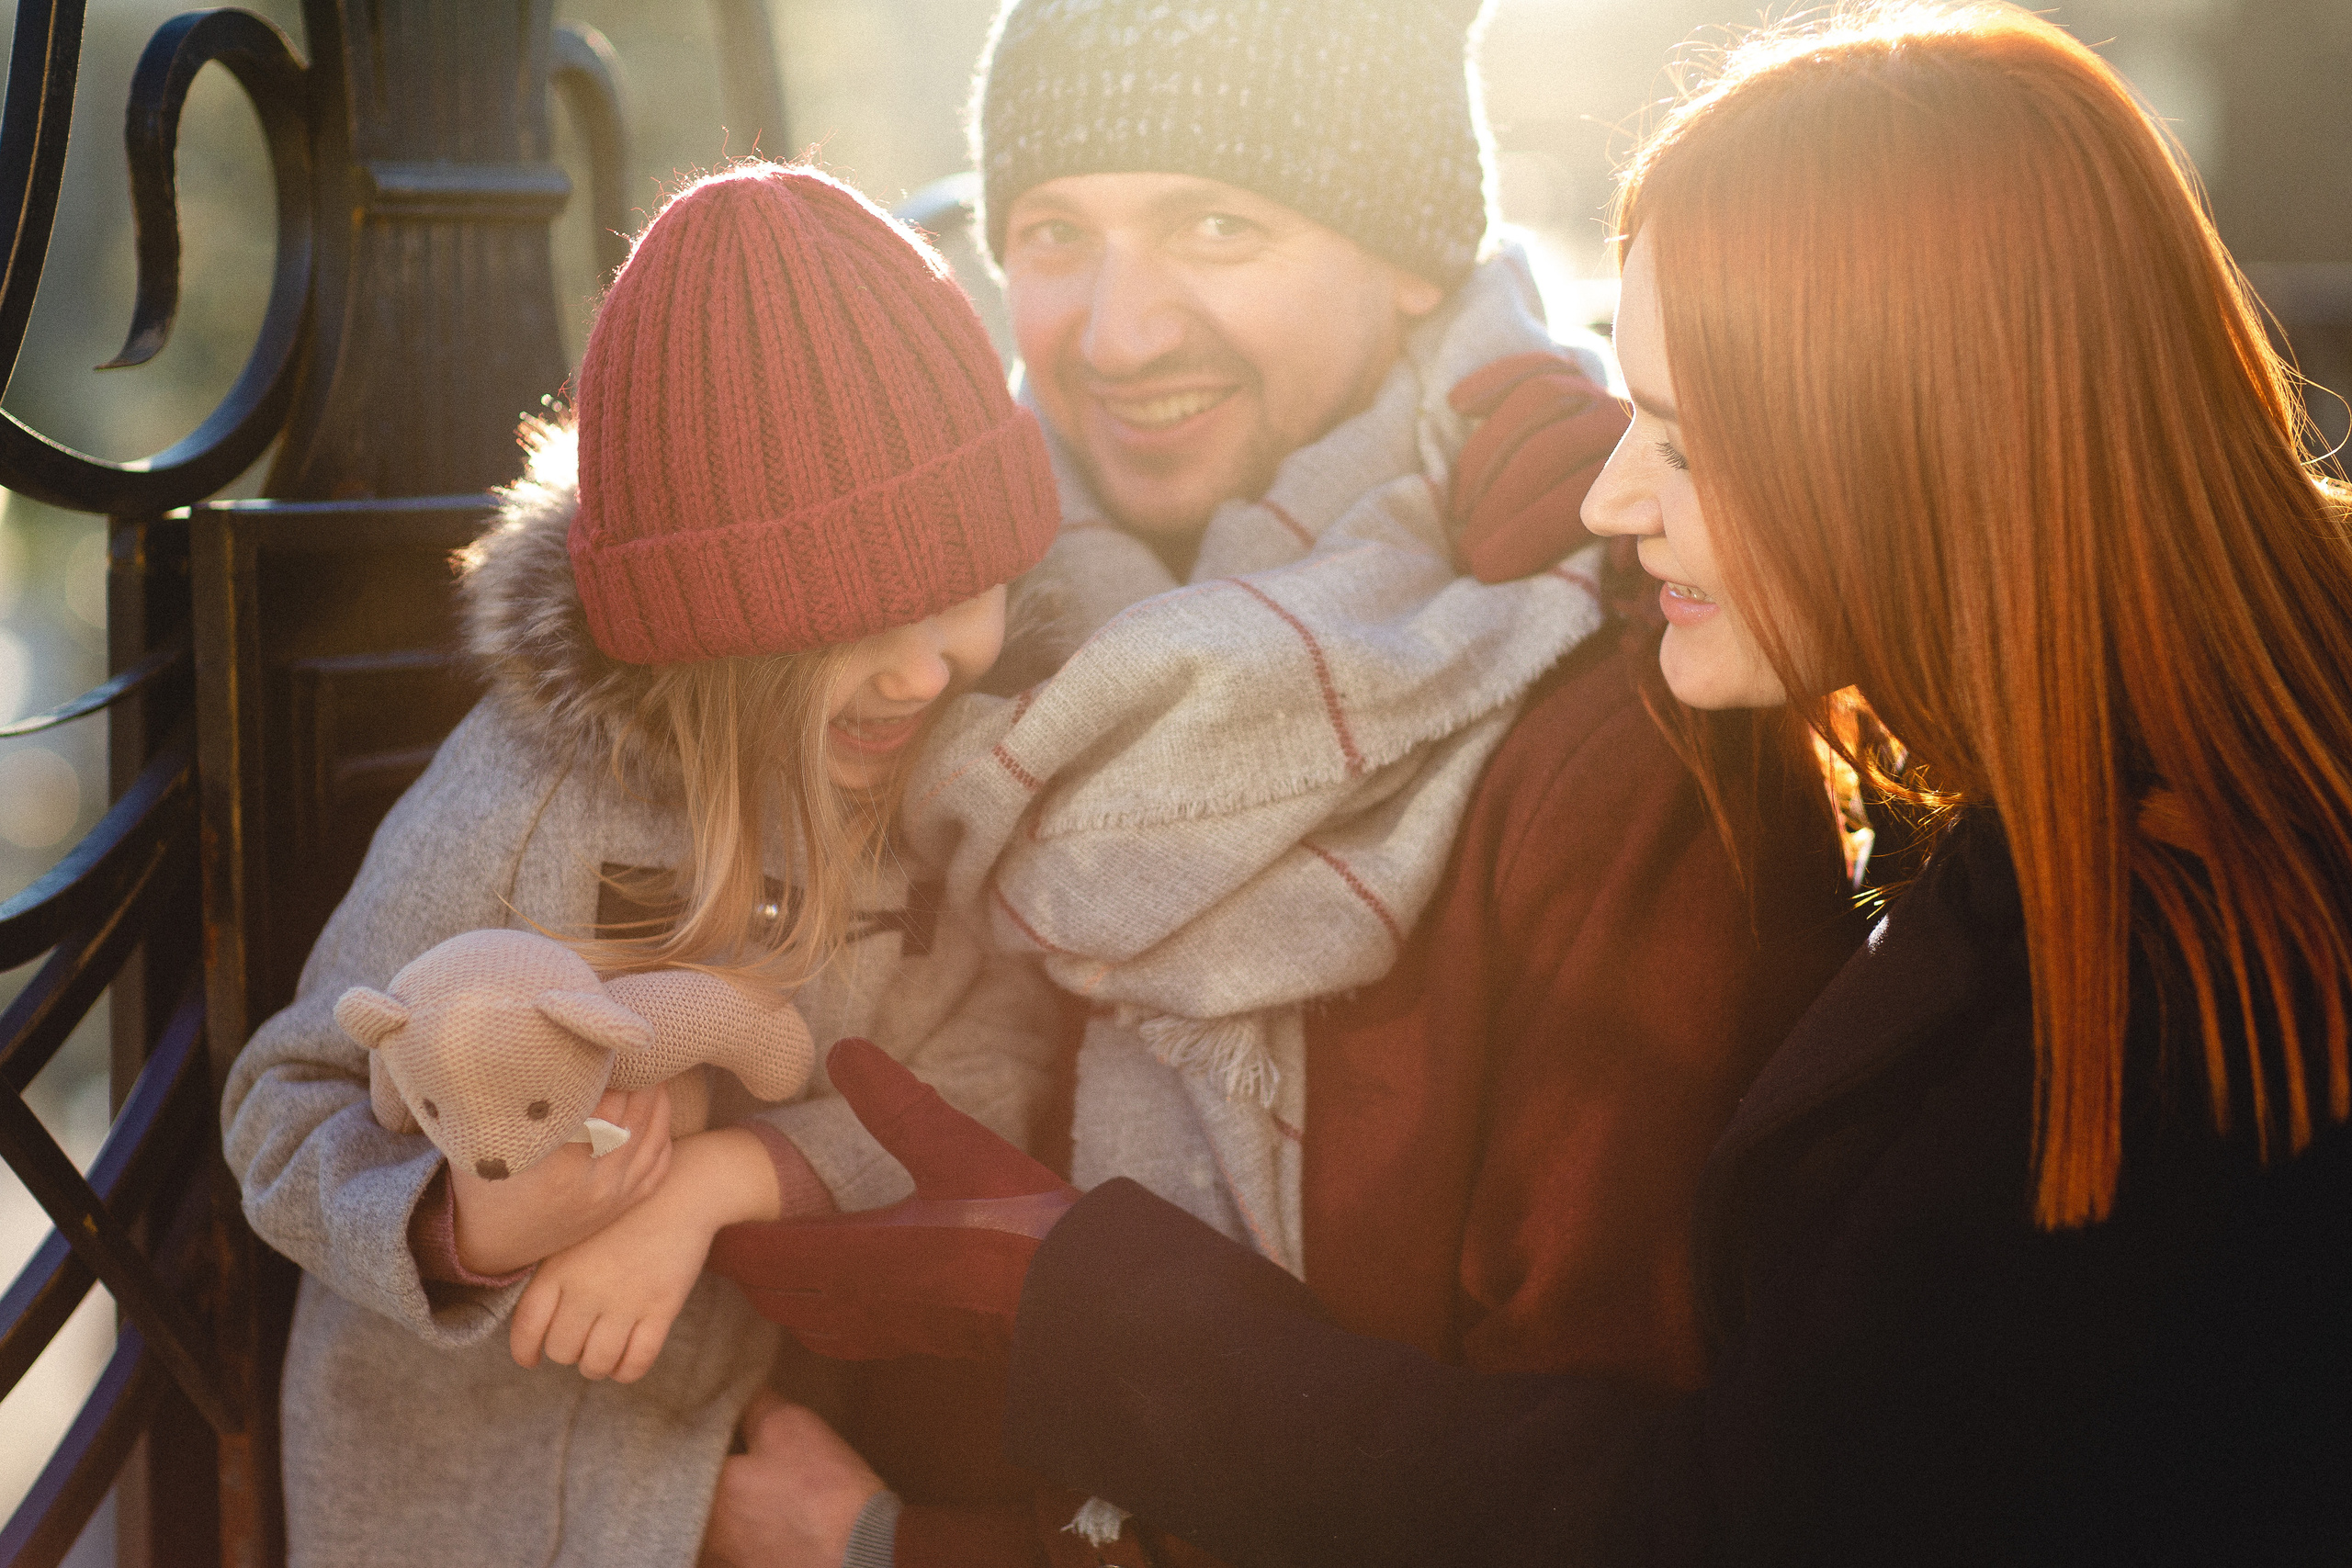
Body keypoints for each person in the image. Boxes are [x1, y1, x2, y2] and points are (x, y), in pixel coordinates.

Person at [706, 6, 2352, 1563]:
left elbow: (1737, 1524)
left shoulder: (2177, 955)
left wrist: (1056, 1329)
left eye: (1690, 441)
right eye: (1051, 232)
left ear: (1916, 434)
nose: (1618, 502)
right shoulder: (2103, 846)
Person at [218, 164, 1068, 1568]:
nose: (921, 667)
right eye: (853, 626)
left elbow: (982, 1076)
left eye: (959, 595)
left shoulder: (929, 772)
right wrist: (466, 1227)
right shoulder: (522, 809)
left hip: (718, 1488)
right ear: (711, 633)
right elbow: (284, 1110)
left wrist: (721, 1179)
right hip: (453, 1515)